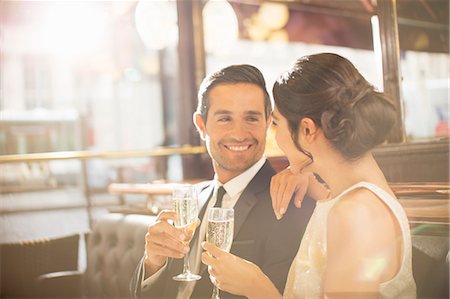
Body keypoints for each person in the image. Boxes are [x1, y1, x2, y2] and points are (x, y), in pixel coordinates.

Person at [201, 53, 417, 298]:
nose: (275, 137)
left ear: (307, 129)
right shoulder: (347, 197)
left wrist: (256, 286)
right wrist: (309, 175)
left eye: (277, 124)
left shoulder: (356, 215)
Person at [130, 64, 316, 298]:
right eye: (225, 118)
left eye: (251, 118)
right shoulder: (191, 199)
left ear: (268, 124)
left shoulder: (291, 202)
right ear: (201, 125)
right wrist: (153, 263)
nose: (239, 133)